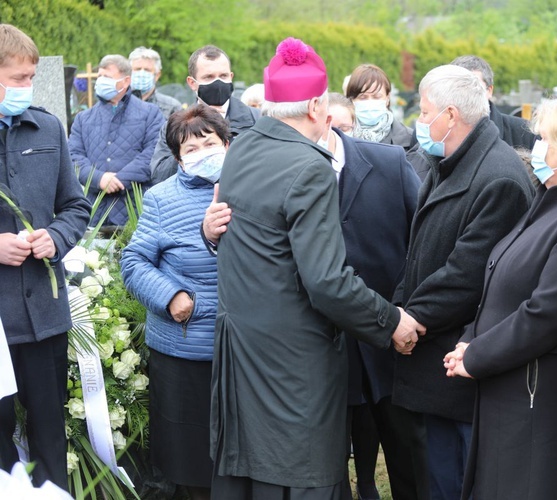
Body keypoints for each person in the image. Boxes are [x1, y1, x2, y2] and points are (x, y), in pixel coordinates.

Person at [202, 37, 424, 499]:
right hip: (294, 362)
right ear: (319, 106)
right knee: (303, 475)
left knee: (254, 473)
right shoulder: (309, 166)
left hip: (243, 348)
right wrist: (391, 321)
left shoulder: (241, 149)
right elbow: (326, 281)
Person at [443, 92, 557, 499]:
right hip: (512, 390)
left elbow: (550, 312)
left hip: (542, 402)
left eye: (545, 138)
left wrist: (477, 355)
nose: (536, 147)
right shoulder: (554, 197)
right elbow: (503, 281)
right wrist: (471, 335)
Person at [392, 64, 534, 500]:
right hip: (435, 358)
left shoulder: (499, 178)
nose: (421, 117)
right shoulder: (450, 161)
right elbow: (419, 253)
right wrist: (400, 306)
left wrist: (410, 317)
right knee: (437, 475)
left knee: (457, 480)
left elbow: (466, 274)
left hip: (460, 357)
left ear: (450, 115)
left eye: (426, 109)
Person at [320, 93, 428, 500]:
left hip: (394, 331)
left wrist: (406, 305)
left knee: (407, 449)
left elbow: (424, 236)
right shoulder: (290, 171)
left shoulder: (389, 163)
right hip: (329, 338)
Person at [120, 105, 230, 500]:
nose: (202, 152)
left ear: (228, 143)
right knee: (191, 455)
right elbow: (133, 261)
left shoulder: (254, 188)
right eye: (190, 148)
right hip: (185, 345)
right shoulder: (162, 199)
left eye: (209, 143)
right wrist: (172, 296)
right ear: (177, 157)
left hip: (244, 344)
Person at [0, 24, 89, 490]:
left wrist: (56, 236)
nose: (26, 88)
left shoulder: (48, 125)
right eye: (17, 78)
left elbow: (76, 206)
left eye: (31, 78)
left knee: (50, 436)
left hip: (42, 314)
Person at [69, 54, 164, 226]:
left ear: (125, 81)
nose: (101, 81)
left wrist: (120, 179)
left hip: (136, 210)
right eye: (100, 76)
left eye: (107, 77)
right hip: (94, 212)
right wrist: (99, 178)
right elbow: (74, 157)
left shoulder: (150, 113)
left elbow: (153, 153)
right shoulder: (84, 119)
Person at [150, 45, 259, 184]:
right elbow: (159, 175)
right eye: (209, 77)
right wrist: (191, 151)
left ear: (231, 77)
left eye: (223, 76)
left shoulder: (256, 119)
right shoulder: (175, 126)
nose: (218, 83)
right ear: (192, 83)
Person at [450, 55, 537, 151]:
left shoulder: (524, 133)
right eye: (459, 87)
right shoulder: (439, 132)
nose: (466, 93)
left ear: (489, 90)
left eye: (474, 86)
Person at [345, 64, 415, 151]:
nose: (370, 102)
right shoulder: (341, 138)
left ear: (387, 98)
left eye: (377, 97)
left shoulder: (408, 139)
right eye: (363, 97)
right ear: (351, 100)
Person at [128, 46, 182, 119]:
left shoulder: (171, 107)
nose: (141, 74)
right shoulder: (118, 103)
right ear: (129, 72)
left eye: (147, 70)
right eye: (137, 69)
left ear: (157, 75)